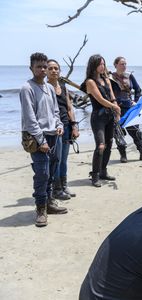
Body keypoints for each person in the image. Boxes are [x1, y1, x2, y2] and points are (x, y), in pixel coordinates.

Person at [20, 52, 68, 227]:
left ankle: (49, 202)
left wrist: (60, 124)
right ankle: (40, 208)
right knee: (42, 173)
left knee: (52, 170)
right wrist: (42, 141)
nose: (42, 69)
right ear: (31, 68)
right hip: (35, 137)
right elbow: (30, 119)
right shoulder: (27, 88)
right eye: (38, 66)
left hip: (53, 135)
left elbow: (55, 111)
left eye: (44, 66)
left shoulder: (48, 87)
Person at [80, 54, 121, 187]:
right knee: (101, 146)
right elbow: (101, 100)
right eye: (100, 64)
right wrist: (114, 106)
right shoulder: (90, 82)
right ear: (93, 65)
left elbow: (111, 96)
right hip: (98, 117)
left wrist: (116, 108)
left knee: (109, 144)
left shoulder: (106, 79)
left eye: (104, 64)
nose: (102, 66)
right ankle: (95, 175)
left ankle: (103, 171)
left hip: (110, 116)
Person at [109, 56, 142, 163]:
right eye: (121, 64)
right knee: (118, 132)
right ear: (115, 65)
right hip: (116, 109)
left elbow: (138, 89)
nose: (124, 66)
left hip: (129, 108)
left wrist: (136, 101)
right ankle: (123, 155)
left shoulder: (130, 76)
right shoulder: (110, 78)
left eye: (125, 64)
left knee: (136, 131)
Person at [46, 59, 79, 200]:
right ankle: (56, 188)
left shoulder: (63, 86)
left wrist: (74, 126)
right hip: (53, 128)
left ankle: (64, 185)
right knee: (56, 159)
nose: (54, 70)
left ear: (59, 71)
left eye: (56, 68)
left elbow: (69, 107)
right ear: (46, 71)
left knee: (64, 159)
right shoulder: (45, 87)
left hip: (66, 125)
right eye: (51, 68)